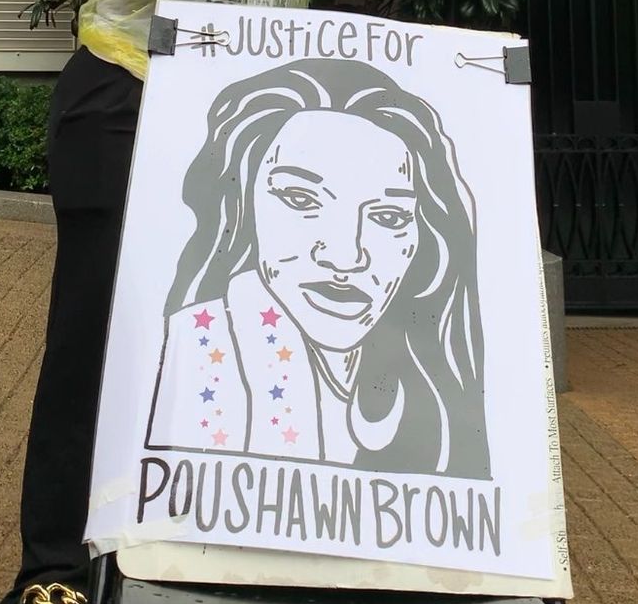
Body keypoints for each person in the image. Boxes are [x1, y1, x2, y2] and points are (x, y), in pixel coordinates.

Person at [0, 0, 311, 604]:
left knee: (227, 329)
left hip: (232, 129)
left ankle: (197, 545)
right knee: (99, 336)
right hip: (126, 103)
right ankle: (55, 569)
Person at [146, 58, 490, 480]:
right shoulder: (201, 349)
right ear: (243, 206)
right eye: (301, 200)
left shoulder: (437, 379)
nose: (346, 257)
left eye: (388, 217)